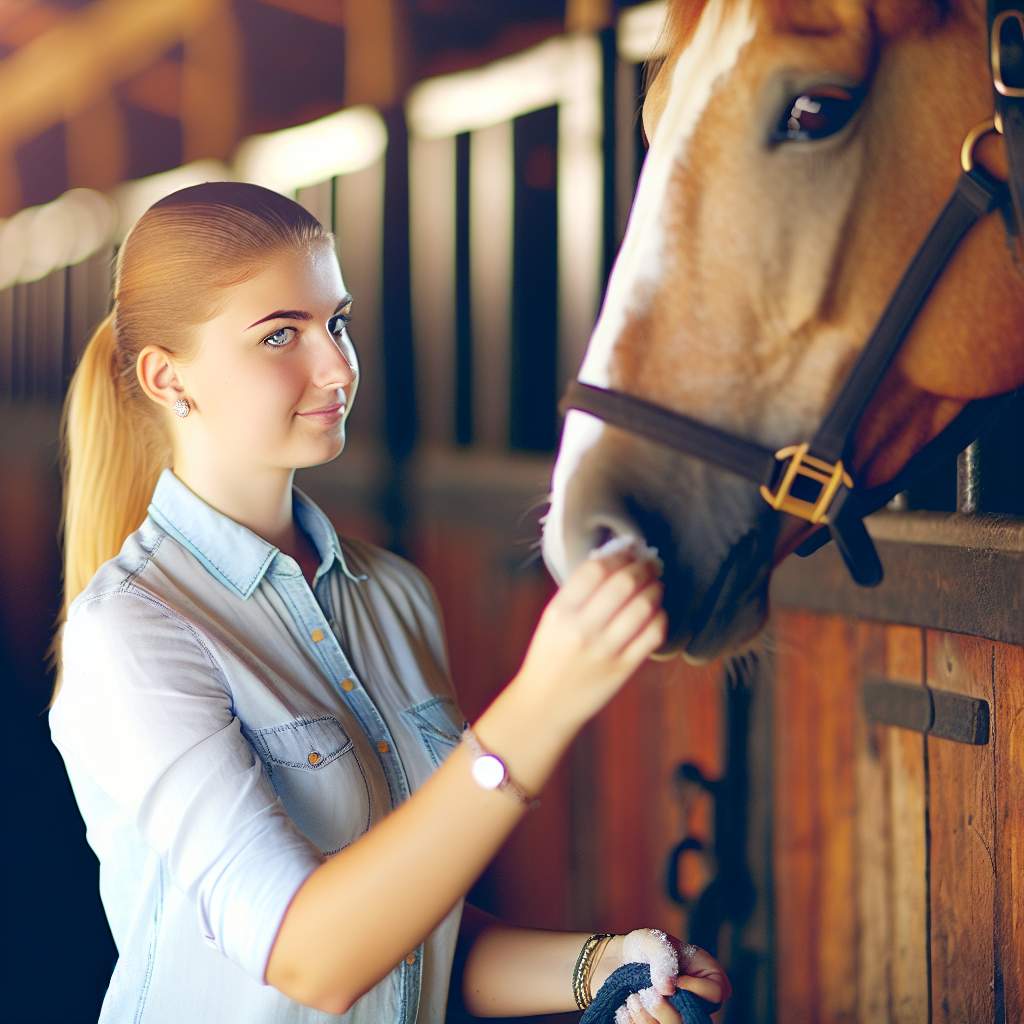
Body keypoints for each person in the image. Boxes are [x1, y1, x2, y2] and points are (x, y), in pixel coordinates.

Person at [45, 181, 731, 1023]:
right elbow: (310, 958)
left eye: (336, 322)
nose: (336, 366)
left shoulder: (395, 596)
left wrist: (606, 965)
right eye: (279, 335)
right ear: (167, 377)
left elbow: (411, 940)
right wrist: (544, 704)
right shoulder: (134, 632)